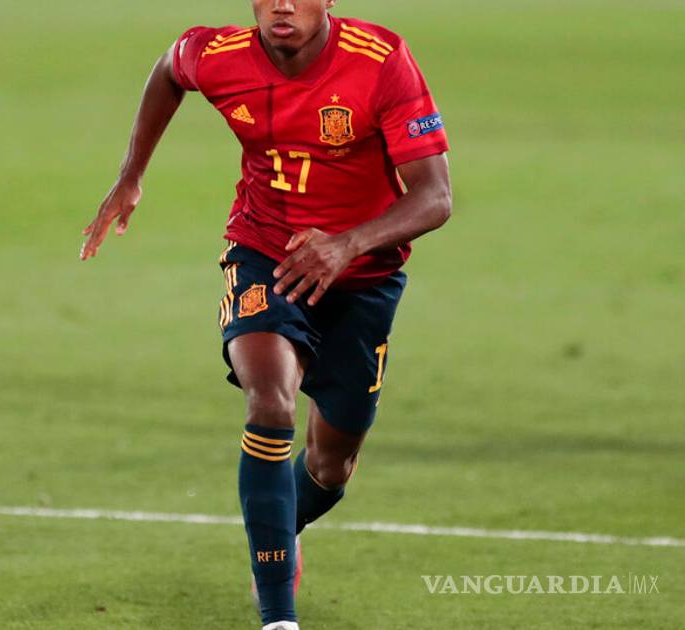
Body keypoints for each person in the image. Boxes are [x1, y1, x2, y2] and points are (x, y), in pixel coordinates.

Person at [80, 1, 452, 628]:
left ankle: (281, 525)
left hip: (362, 277)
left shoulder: (381, 60)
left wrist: (347, 244)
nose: (282, 4)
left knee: (331, 464)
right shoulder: (221, 56)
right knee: (271, 402)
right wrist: (131, 173)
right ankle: (279, 613)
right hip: (265, 255)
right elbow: (170, 69)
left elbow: (435, 196)